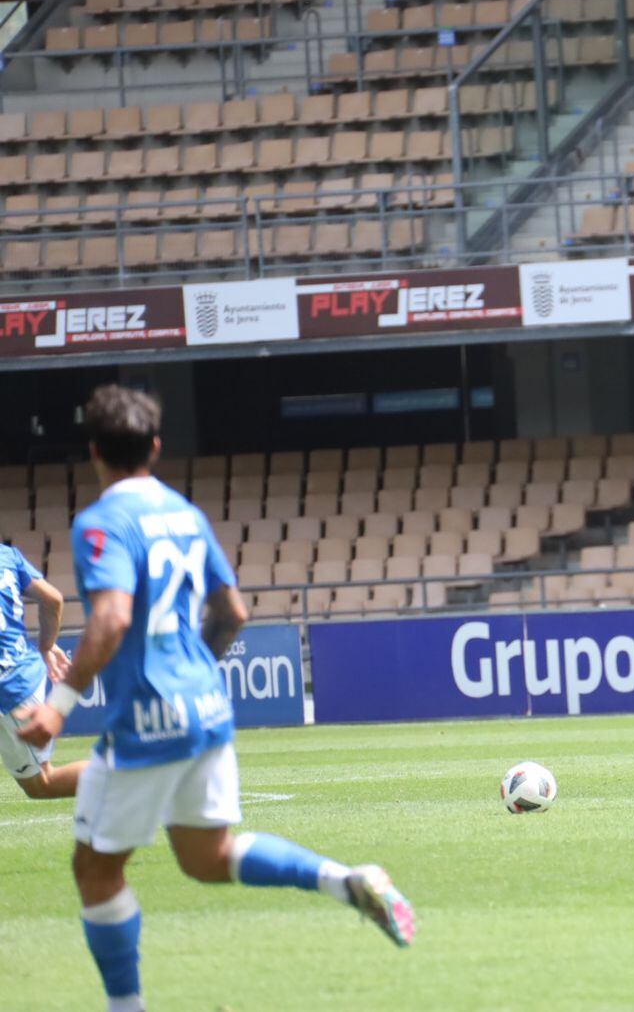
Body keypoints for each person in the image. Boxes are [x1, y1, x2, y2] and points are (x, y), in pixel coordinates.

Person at [18, 385, 415, 1012]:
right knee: (209, 858)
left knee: (96, 872)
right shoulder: (185, 513)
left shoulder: (100, 523)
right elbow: (231, 612)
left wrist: (59, 704)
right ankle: (346, 880)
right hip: (206, 710)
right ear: (155, 446)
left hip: (144, 720)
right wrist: (194, 670)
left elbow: (113, 618)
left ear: (93, 451)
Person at [1, 542, 84, 798]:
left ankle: (138, 776)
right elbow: (53, 598)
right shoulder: (6, 554)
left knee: (42, 783)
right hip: (20, 667)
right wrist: (46, 646)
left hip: (9, 684)